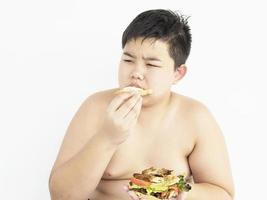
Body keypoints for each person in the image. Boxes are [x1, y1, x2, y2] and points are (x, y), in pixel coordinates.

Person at [48, 9, 235, 200]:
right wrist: (107, 137)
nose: (136, 73)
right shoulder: (96, 108)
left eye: (151, 65)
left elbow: (224, 194)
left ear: (177, 73)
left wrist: (180, 192)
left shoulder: (195, 117)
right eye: (128, 60)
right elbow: (61, 195)